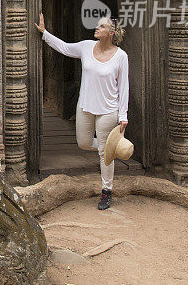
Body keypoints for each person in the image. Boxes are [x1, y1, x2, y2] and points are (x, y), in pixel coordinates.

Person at [34, 12, 129, 210]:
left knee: (104, 154)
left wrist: (123, 116)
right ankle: (109, 148)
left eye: (101, 26)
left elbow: (124, 88)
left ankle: (106, 190)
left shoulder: (121, 57)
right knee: (84, 143)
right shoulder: (86, 47)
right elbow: (65, 48)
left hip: (108, 109)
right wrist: (45, 33)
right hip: (85, 105)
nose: (96, 28)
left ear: (111, 33)